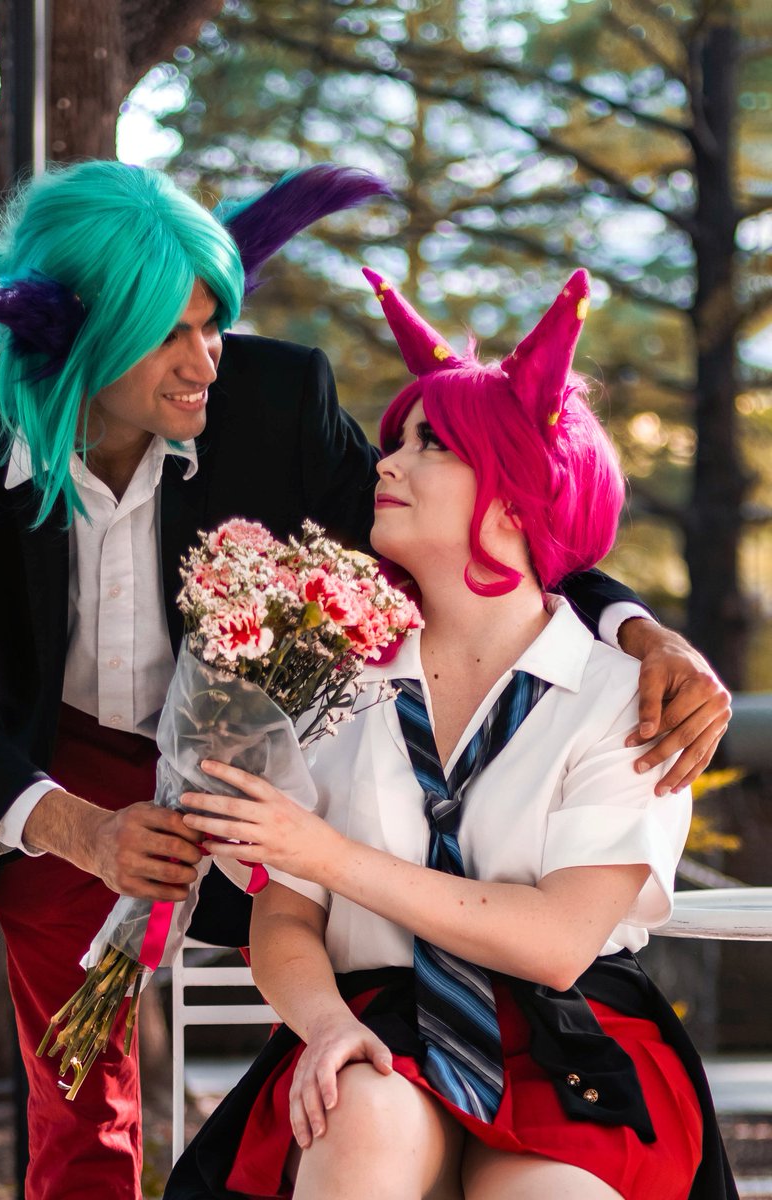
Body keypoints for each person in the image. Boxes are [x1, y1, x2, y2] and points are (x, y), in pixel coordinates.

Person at [0, 160, 727, 1199]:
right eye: (171, 334)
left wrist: (639, 630)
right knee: (77, 1084)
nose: (207, 361)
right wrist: (80, 832)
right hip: (62, 764)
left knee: (332, 987)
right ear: (75, 340)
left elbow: (501, 519)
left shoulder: (277, 396)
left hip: (276, 730)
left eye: (214, 324)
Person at [166, 269, 736, 1199]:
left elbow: (557, 941)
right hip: (372, 1019)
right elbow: (285, 918)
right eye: (396, 441)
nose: (385, 464)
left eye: (427, 445)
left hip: (571, 1032)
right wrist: (326, 1025)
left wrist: (327, 855)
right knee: (359, 1120)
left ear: (517, 494)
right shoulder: (322, 676)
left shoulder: (627, 695)